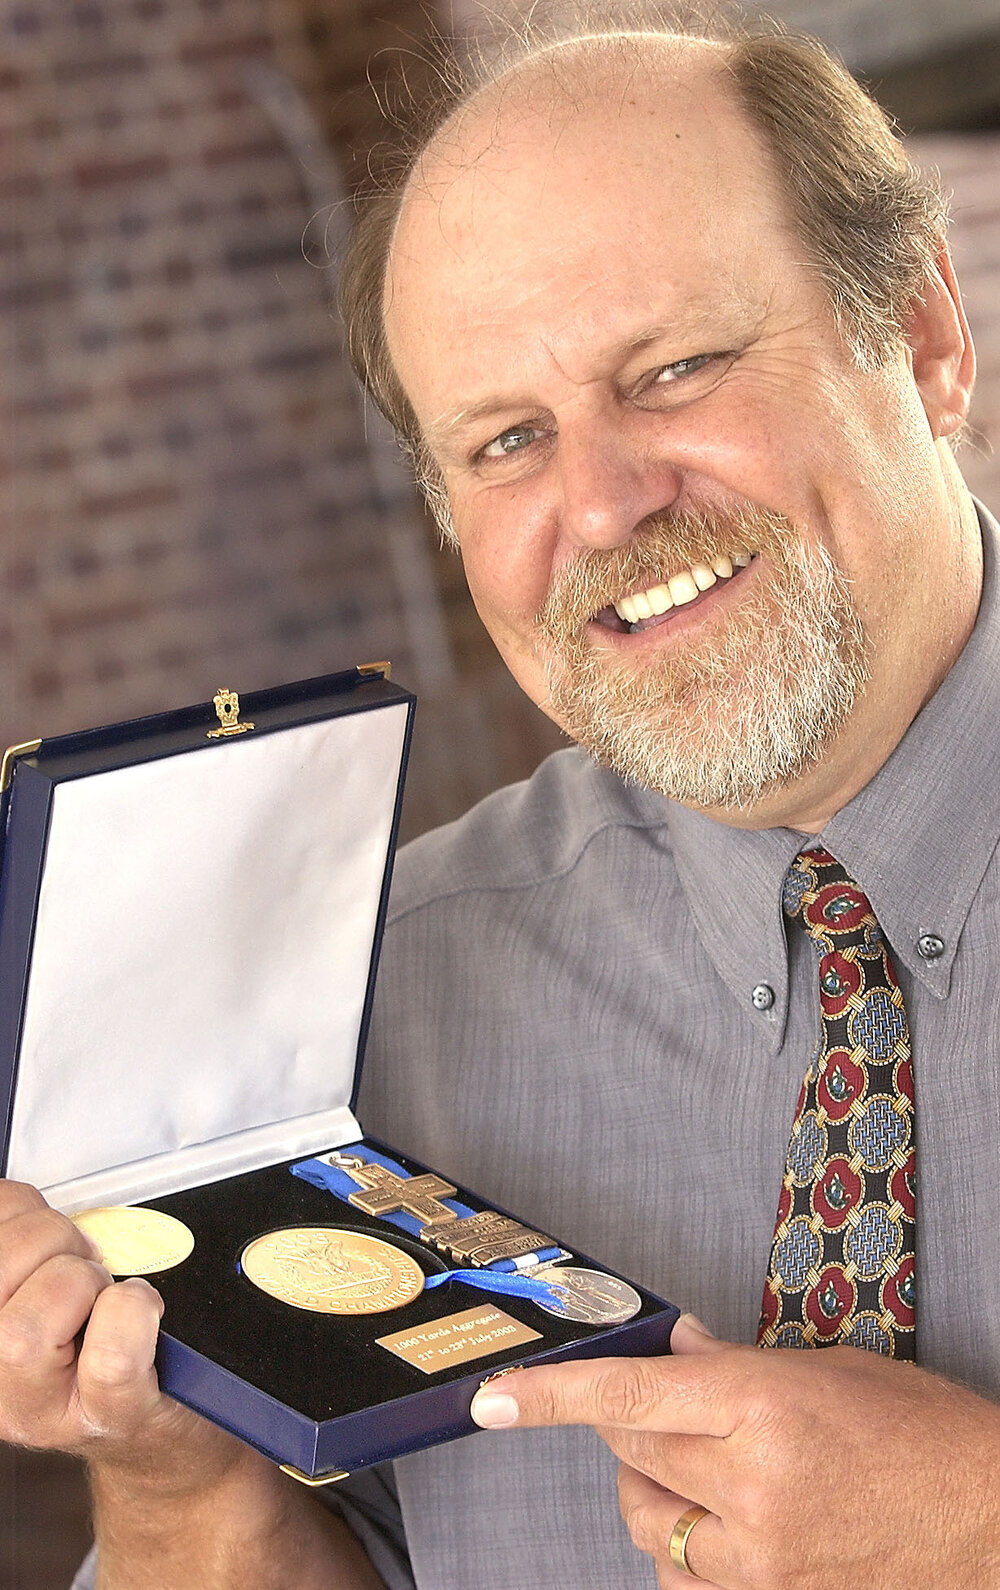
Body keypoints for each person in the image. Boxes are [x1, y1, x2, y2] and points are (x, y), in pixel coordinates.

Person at [4, 11, 1000, 1588]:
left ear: (929, 335)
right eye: (509, 440)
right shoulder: (373, 1017)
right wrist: (182, 1479)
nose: (603, 502)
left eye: (674, 368)